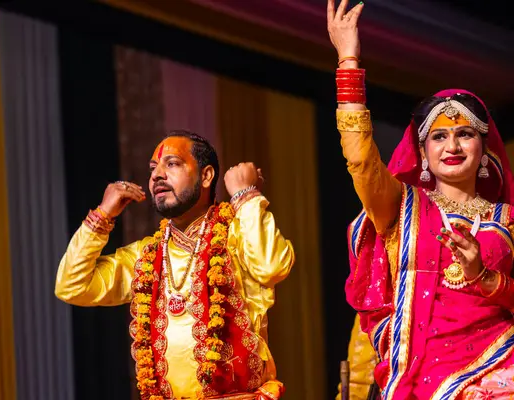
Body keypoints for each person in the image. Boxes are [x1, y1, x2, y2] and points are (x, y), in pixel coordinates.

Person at [328, 0, 514, 398]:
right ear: (423, 153)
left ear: (484, 150)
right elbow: (360, 160)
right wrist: (348, 60)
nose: (453, 145)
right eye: (439, 137)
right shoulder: (400, 207)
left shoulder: (508, 219)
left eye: (465, 134)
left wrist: (485, 277)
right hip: (420, 376)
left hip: (501, 365)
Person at [55, 130, 293, 400]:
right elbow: (71, 286)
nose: (157, 175)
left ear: (206, 176)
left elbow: (272, 266)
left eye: (172, 164)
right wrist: (102, 215)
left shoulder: (237, 235)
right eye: (153, 168)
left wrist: (246, 197)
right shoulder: (144, 258)